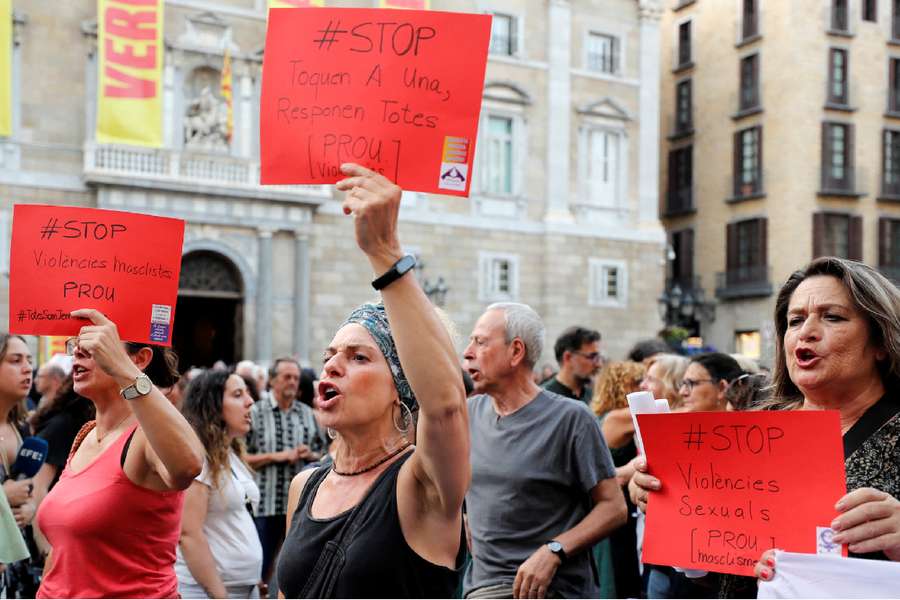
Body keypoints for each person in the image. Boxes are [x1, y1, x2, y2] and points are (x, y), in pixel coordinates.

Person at [633, 258, 900, 598]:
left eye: (832, 317)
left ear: (880, 341)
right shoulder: (752, 431)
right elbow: (720, 575)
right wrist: (673, 509)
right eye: (795, 320)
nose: (806, 332)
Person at [275, 163, 468, 597]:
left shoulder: (420, 484)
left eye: (359, 357)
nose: (331, 367)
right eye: (329, 356)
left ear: (402, 389)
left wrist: (385, 251)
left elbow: (446, 406)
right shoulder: (305, 486)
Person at [36, 310, 204, 598]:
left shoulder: (145, 437)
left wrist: (125, 371)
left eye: (95, 344)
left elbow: (188, 466)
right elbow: (65, 552)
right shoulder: (85, 435)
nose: (78, 351)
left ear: (140, 359)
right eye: (76, 344)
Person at [463, 302, 626, 599]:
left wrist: (554, 550)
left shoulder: (572, 418)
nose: (468, 352)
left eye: (481, 342)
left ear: (516, 351)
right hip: (481, 587)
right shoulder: (469, 412)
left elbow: (614, 508)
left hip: (550, 590)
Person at [177, 370, 263, 598]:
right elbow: (188, 533)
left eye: (247, 393)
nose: (250, 401)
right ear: (212, 404)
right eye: (237, 395)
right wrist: (219, 594)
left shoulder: (229, 453)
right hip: (208, 592)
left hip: (242, 587)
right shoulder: (199, 457)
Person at [245, 356, 327, 593]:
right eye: (287, 377)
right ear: (272, 381)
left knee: (294, 570)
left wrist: (309, 453)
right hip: (264, 505)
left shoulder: (306, 413)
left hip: (300, 508)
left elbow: (324, 452)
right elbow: (239, 458)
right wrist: (278, 456)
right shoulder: (256, 411)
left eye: (296, 378)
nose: (293, 382)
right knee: (258, 570)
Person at [589, 361, 645, 600]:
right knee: (617, 575)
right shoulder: (619, 417)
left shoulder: (604, 415)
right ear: (622, 386)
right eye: (637, 383)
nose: (644, 388)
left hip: (615, 502)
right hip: (617, 503)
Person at [0, 334, 38, 597]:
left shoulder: (23, 428)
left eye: (29, 360)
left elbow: (30, 490)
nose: (27, 368)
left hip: (19, 570)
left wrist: (30, 507)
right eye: (15, 360)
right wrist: (3, 496)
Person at [541, 326, 603, 404]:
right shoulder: (544, 398)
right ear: (568, 357)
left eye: (598, 357)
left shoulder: (593, 397)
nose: (599, 364)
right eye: (592, 357)